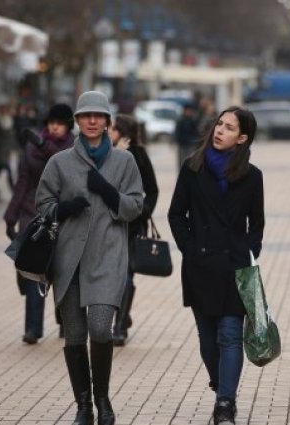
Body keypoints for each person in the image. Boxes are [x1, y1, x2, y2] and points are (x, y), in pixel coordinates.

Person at [36, 91, 143, 425]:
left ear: (108, 121)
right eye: (86, 116)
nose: (93, 121)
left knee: (101, 329)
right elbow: (42, 205)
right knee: (75, 335)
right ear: (77, 122)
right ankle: (83, 405)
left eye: (99, 116)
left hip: (107, 256)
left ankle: (103, 399)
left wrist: (108, 192)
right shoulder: (60, 162)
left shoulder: (125, 162)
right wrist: (63, 208)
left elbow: (136, 206)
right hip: (69, 259)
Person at [168, 106, 264, 425]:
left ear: (242, 137)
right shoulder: (192, 167)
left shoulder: (252, 176)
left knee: (229, 336)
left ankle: (226, 401)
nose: (220, 130)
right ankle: (220, 384)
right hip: (200, 265)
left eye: (229, 127)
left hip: (234, 267)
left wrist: (249, 250)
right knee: (208, 341)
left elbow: (257, 223)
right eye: (219, 124)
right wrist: (190, 249)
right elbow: (175, 214)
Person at [4, 103, 75, 344]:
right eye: (51, 122)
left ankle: (65, 321)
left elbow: (63, 164)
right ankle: (33, 329)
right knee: (33, 271)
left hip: (62, 215)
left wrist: (43, 145)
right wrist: (10, 216)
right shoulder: (32, 147)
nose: (54, 126)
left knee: (62, 270)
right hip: (31, 213)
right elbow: (22, 182)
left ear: (68, 125)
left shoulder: (73, 147)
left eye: (60, 122)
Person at [108, 114, 159, 346]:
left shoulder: (138, 156)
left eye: (114, 129)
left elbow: (152, 190)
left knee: (126, 274)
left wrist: (142, 211)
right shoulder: (103, 153)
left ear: (125, 133)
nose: (109, 131)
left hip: (132, 226)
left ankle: (119, 328)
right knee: (111, 275)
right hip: (107, 225)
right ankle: (123, 313)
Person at [174, 103, 201, 168]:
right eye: (187, 110)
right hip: (182, 144)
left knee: (191, 161)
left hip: (191, 144)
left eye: (190, 111)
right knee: (182, 161)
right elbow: (177, 132)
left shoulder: (194, 121)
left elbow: (196, 132)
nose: (188, 112)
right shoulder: (180, 121)